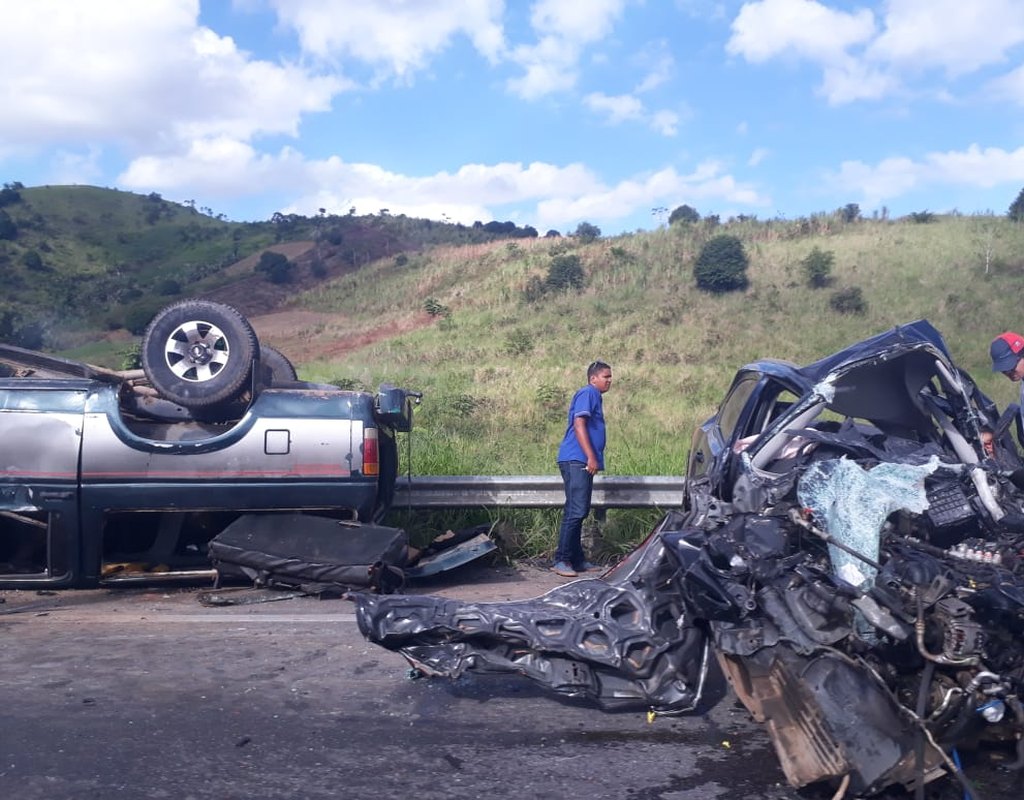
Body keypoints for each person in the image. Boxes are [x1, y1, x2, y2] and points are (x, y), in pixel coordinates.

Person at [552, 360, 613, 578]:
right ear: (593, 378)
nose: (609, 380)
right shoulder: (588, 393)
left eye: (610, 377)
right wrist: (590, 456)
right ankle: (561, 559)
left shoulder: (593, 395)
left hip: (578, 459)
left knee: (579, 509)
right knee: (577, 510)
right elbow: (579, 424)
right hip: (577, 459)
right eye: (605, 376)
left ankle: (576, 560)